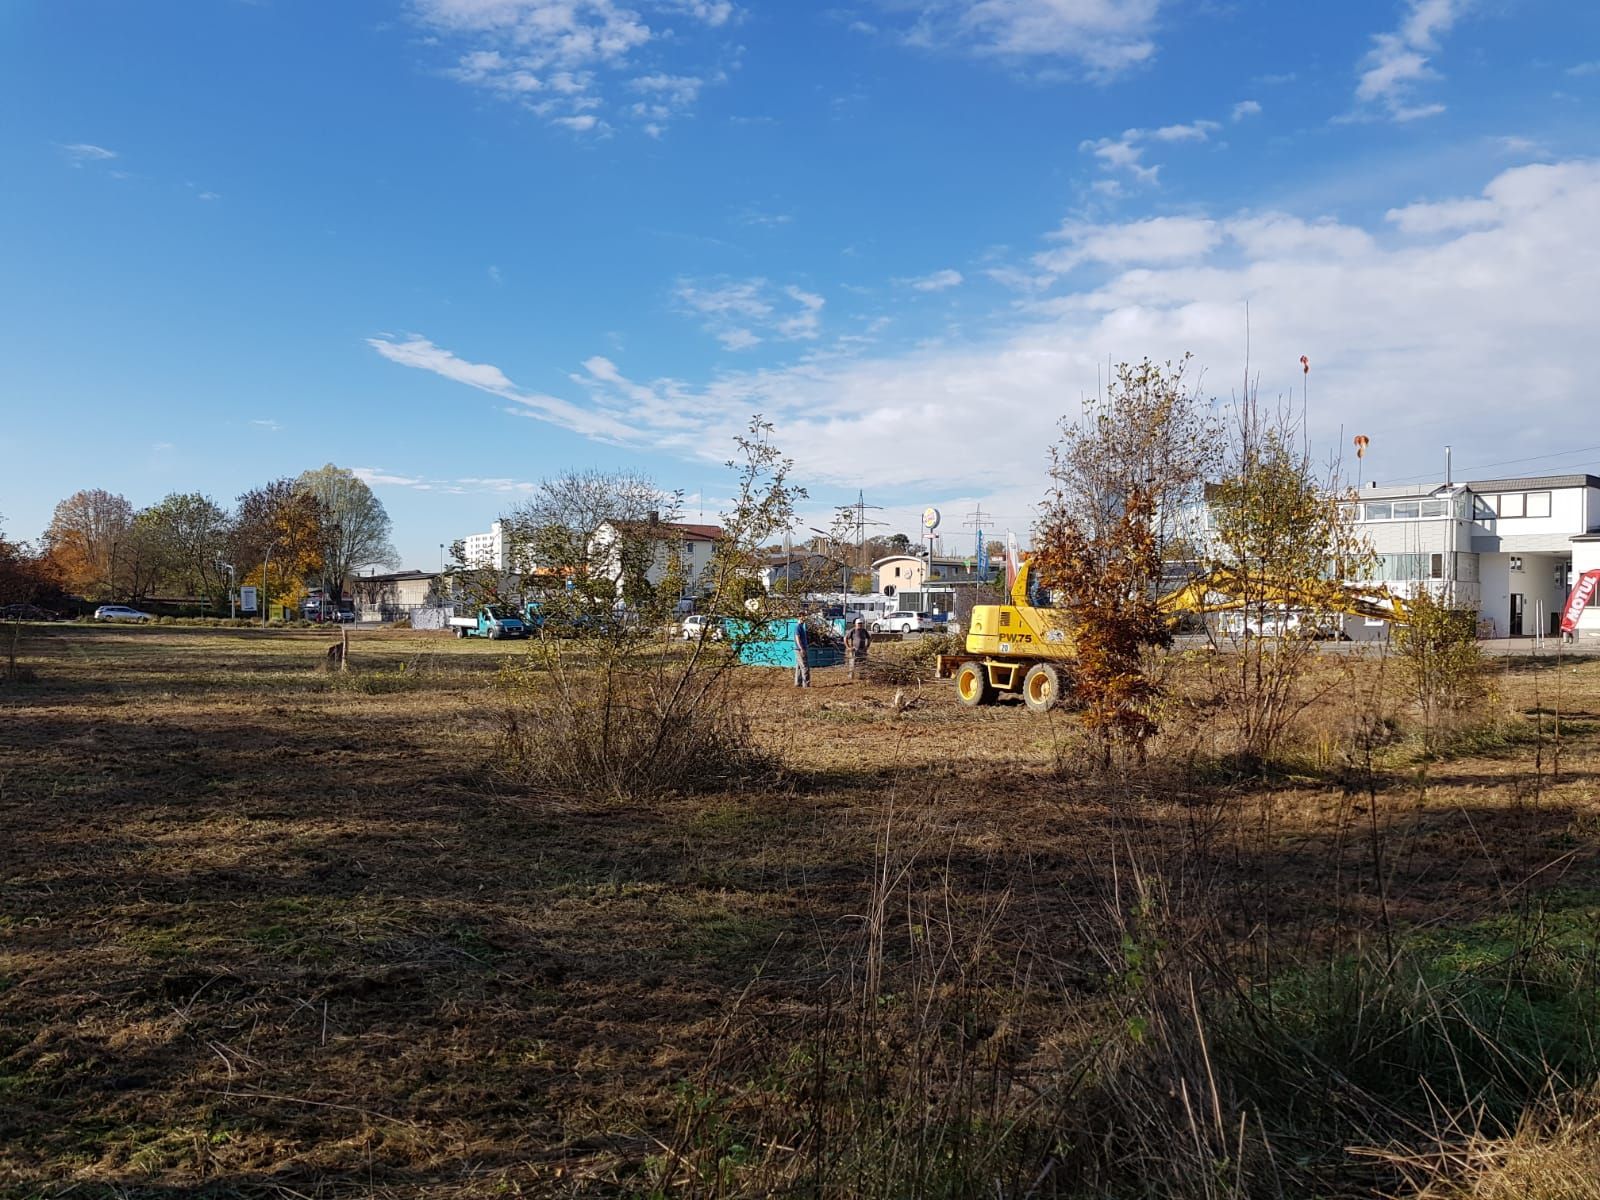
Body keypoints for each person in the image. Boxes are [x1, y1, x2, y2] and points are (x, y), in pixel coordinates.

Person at [845, 616, 871, 681]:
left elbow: (869, 638)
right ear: (856, 624)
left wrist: (867, 646)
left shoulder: (864, 631)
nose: (860, 625)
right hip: (854, 650)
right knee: (852, 664)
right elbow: (845, 638)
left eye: (861, 624)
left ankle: (862, 676)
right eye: (859, 624)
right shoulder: (853, 630)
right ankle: (851, 676)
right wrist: (848, 647)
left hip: (862, 650)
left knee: (863, 663)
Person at [793, 617, 811, 688]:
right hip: (800, 649)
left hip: (798, 649)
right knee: (805, 666)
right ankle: (806, 684)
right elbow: (797, 638)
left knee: (799, 667)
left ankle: (798, 682)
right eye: (803, 618)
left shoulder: (801, 627)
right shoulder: (798, 627)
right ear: (799, 618)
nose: (804, 619)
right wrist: (801, 648)